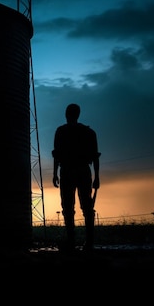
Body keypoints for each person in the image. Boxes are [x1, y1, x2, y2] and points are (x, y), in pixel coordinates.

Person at [52, 103, 100, 252]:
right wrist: (97, 177)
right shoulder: (89, 132)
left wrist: (54, 174)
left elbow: (57, 155)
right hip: (83, 171)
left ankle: (72, 242)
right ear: (78, 114)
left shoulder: (61, 131)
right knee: (87, 206)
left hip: (67, 171)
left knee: (68, 207)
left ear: (66, 114)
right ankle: (89, 242)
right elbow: (95, 157)